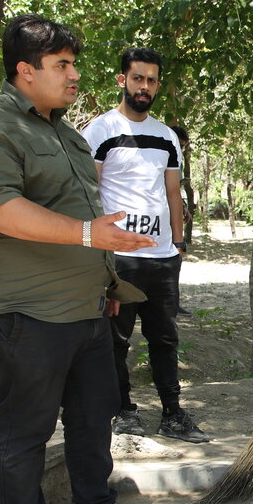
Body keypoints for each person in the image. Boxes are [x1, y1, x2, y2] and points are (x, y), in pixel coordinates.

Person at [0, 15, 158, 504]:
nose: (74, 75)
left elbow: (80, 210)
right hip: (25, 310)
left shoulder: (63, 132)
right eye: (61, 65)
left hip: (84, 306)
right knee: (25, 427)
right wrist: (90, 236)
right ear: (24, 70)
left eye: (74, 64)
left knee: (94, 416)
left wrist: (106, 282)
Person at [81, 48, 207, 443]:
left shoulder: (167, 136)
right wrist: (96, 250)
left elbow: (172, 193)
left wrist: (179, 244)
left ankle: (173, 413)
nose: (145, 87)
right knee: (116, 339)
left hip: (162, 258)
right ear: (123, 80)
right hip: (119, 258)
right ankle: (123, 410)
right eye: (138, 78)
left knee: (165, 338)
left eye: (152, 80)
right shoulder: (99, 131)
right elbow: (89, 192)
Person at [173, 124, 195, 315]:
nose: (180, 149)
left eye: (182, 146)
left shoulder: (177, 160)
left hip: (173, 215)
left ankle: (173, 301)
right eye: (178, 144)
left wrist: (184, 207)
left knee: (176, 258)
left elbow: (175, 189)